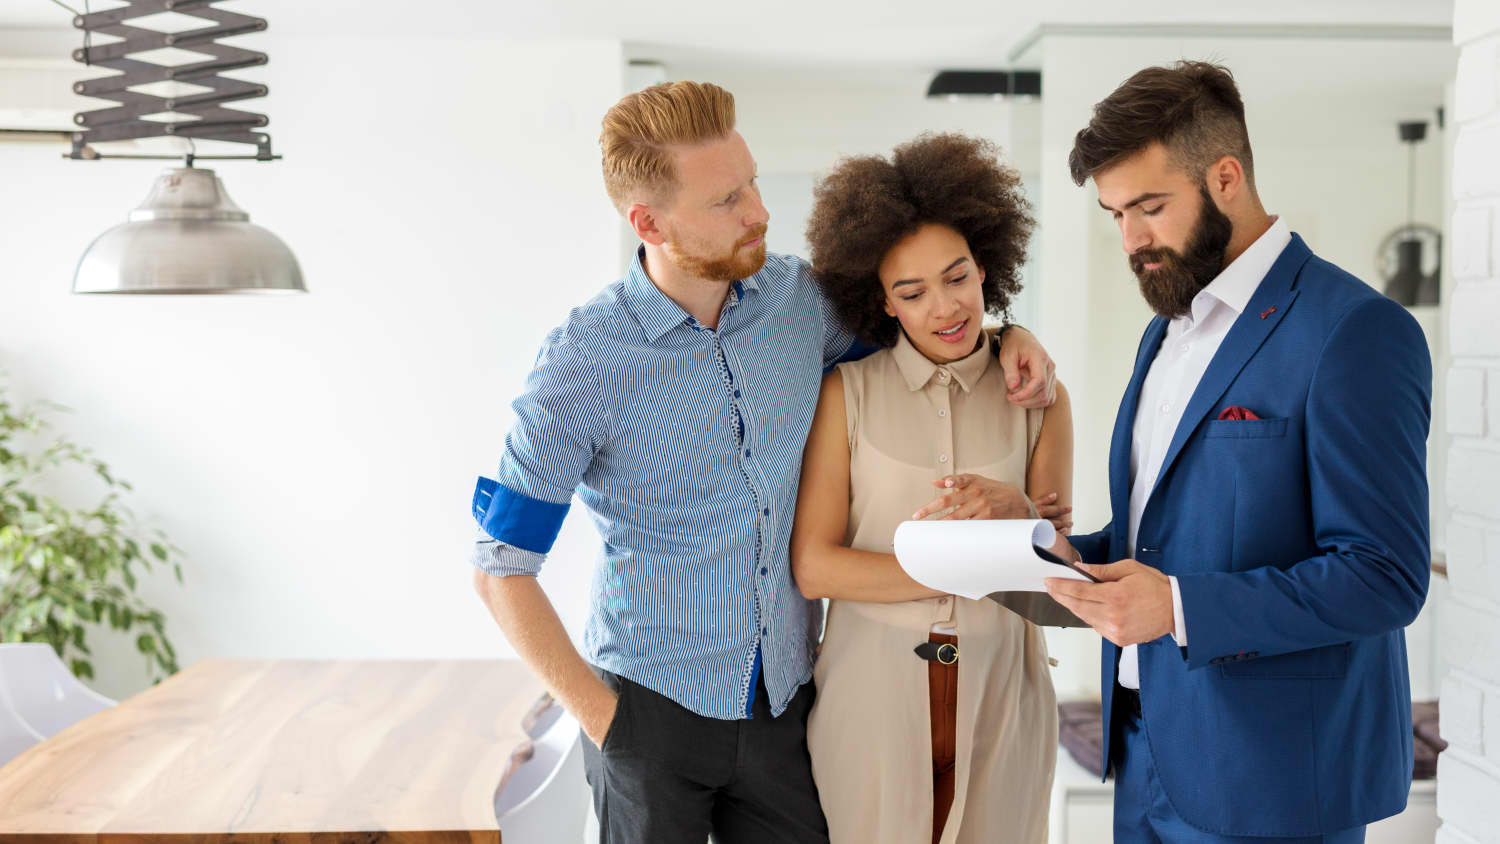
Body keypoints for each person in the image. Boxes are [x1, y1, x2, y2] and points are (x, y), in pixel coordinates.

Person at [468, 81, 1058, 843]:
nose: (759, 211)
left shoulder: (800, 302)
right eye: (726, 201)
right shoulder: (582, 364)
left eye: (750, 183)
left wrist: (1011, 335)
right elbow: (501, 568)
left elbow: (929, 328)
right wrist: (608, 724)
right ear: (647, 222)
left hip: (785, 706)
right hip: (651, 712)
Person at [1041, 61, 1431, 843]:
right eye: (1116, 214)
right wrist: (1051, 551)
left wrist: (1178, 607)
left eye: (1150, 208)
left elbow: (1383, 576)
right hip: (1146, 755)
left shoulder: (1354, 331)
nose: (1131, 240)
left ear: (1226, 178)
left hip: (1274, 781)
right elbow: (1162, 540)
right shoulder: (1165, 333)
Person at [791, 133, 1071, 844]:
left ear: (985, 267)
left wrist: (1023, 514)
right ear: (883, 302)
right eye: (912, 293)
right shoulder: (845, 394)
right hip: (870, 693)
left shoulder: (1039, 395)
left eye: (957, 278)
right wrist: (956, 567)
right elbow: (815, 567)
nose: (945, 308)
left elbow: (1059, 574)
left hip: (1006, 687)